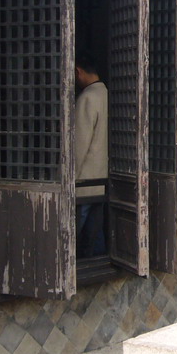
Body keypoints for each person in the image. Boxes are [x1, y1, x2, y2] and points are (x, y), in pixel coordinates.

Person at [75, 51, 108, 256]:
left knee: (75, 229)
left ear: (78, 72)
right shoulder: (106, 94)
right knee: (95, 232)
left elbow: (79, 144)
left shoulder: (87, 98)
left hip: (84, 180)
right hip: (101, 179)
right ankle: (97, 268)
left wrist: (70, 178)